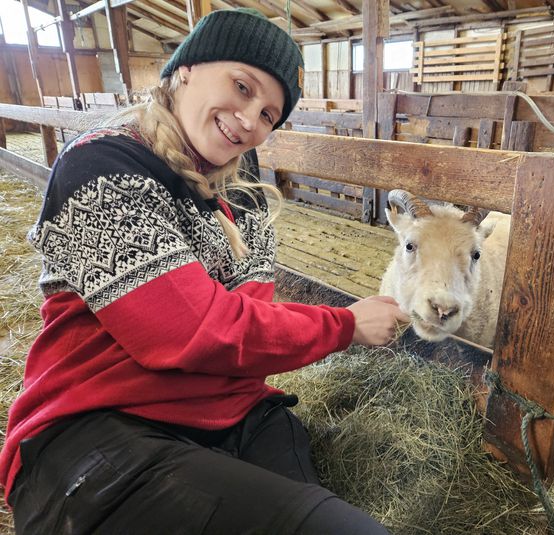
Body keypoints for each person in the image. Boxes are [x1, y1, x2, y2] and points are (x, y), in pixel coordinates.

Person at [0, 8, 409, 534]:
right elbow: (195, 332)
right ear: (187, 68)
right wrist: (344, 325)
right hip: (97, 431)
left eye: (268, 115)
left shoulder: (244, 200)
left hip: (228, 414)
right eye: (242, 87)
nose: (249, 120)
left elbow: (246, 330)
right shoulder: (100, 167)